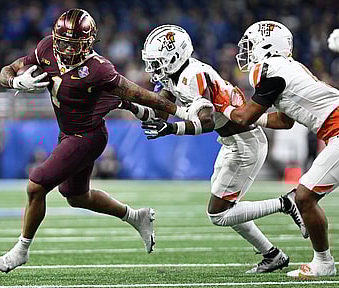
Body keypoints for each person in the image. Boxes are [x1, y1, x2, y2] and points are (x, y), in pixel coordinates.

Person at [0, 9, 188, 273]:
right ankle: (136, 217)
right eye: (61, 42)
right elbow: (5, 71)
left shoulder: (98, 69)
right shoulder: (47, 48)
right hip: (69, 133)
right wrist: (17, 80)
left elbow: (141, 95)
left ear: (88, 43)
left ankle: (21, 249)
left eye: (73, 44)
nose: (64, 48)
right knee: (76, 197)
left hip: (88, 136)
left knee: (36, 185)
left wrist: (182, 111)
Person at [131, 24, 307, 274]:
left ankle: (286, 202)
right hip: (232, 143)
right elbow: (159, 112)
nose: (153, 68)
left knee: (219, 214)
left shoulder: (193, 75)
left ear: (174, 57)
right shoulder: (174, 76)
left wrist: (171, 130)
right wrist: (129, 105)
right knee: (228, 207)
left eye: (157, 62)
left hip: (245, 143)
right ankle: (272, 254)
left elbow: (206, 122)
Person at [221, 20, 339, 277]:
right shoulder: (284, 68)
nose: (245, 51)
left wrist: (221, 106)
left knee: (304, 197)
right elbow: (285, 120)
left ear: (266, 46)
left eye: (250, 45)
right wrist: (249, 116)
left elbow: (244, 117)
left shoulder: (271, 69)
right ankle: (323, 262)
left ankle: (323, 263)